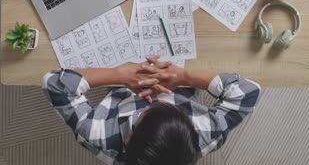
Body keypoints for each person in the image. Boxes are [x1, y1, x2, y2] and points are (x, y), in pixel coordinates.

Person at [42, 56, 261, 165]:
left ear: (128, 140)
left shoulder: (95, 134)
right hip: (177, 79)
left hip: (121, 85)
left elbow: (54, 83)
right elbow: (249, 92)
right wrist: (184, 77)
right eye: (171, 107)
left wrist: (120, 76)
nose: (157, 97)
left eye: (150, 109)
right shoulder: (206, 134)